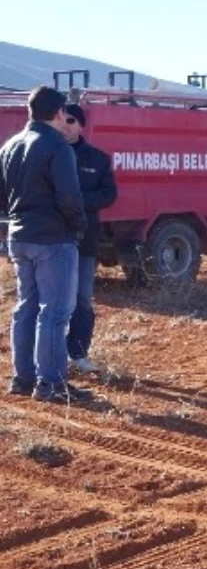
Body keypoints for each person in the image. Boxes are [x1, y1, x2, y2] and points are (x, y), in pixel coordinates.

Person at [0, 87, 89, 402]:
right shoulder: (57, 146)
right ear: (59, 112)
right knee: (54, 312)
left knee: (26, 307)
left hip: (19, 237)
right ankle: (51, 383)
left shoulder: (9, 146)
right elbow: (69, 198)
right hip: (53, 238)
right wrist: (79, 226)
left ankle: (23, 378)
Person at [62, 104, 117, 375]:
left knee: (82, 299)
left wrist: (79, 202)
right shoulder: (49, 154)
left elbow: (109, 194)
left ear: (81, 125)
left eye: (70, 120)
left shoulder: (98, 159)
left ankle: (79, 354)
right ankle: (53, 355)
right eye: (62, 120)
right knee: (56, 300)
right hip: (54, 241)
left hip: (85, 241)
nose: (65, 125)